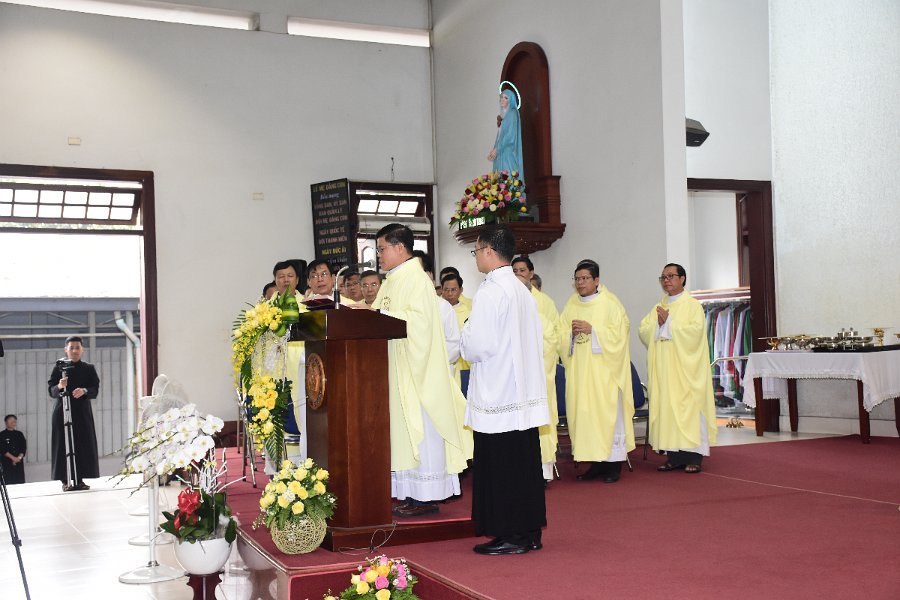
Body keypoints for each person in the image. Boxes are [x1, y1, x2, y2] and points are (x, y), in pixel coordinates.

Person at [361, 224, 470, 517]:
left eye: (381, 248)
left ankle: (426, 496)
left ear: (400, 248)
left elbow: (420, 323)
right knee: (403, 433)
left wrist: (379, 314)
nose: (378, 255)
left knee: (422, 430)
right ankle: (410, 493)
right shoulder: (393, 280)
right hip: (398, 368)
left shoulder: (417, 279)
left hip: (416, 371)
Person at [461, 225, 548, 555]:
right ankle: (529, 531)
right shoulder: (521, 289)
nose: (475, 258)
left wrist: (465, 334)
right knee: (523, 463)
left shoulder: (490, 291)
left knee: (501, 466)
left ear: (487, 251)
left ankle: (510, 534)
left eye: (476, 251)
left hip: (498, 392)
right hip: (520, 392)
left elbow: (479, 346)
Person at [558, 259, 634, 483]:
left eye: (585, 278)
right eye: (577, 279)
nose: (580, 283)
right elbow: (559, 335)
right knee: (587, 418)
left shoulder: (610, 303)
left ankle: (613, 466)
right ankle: (595, 464)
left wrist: (594, 331)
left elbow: (621, 334)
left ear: (596, 280)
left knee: (607, 418)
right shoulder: (571, 305)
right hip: (580, 374)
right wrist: (570, 336)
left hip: (605, 374)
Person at [638, 263, 717, 474]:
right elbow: (643, 330)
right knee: (668, 412)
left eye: (671, 276)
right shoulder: (659, 306)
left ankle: (694, 457)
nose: (666, 280)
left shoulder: (692, 305)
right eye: (663, 277)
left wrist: (669, 323)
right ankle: (673, 457)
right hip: (665, 371)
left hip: (686, 371)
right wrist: (658, 325)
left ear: (682, 278)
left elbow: (695, 333)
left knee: (689, 411)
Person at [512, 255, 561, 483]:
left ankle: (542, 471)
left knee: (540, 423)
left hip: (538, 379)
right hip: (515, 382)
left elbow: (553, 342)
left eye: (522, 270)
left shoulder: (543, 311)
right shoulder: (509, 313)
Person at [47, 336, 100, 490]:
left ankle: (79, 480)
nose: (75, 351)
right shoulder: (59, 368)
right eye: (72, 348)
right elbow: (51, 390)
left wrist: (84, 390)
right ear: (66, 350)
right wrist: (59, 386)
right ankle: (65, 480)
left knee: (82, 444)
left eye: (78, 347)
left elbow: (94, 389)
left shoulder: (89, 368)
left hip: (82, 412)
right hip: (62, 411)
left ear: (82, 350)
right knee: (63, 445)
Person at [440, 273, 472, 395]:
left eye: (453, 290)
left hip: (464, 366)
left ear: (461, 290)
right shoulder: (436, 309)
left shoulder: (469, 311)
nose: (449, 293)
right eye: (446, 290)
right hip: (443, 364)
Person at [487, 87, 524, 179]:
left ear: (511, 100)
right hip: (501, 152)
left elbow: (510, 136)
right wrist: (494, 150)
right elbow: (500, 137)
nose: (502, 100)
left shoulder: (512, 113)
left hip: (507, 152)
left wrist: (497, 149)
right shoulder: (504, 116)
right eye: (502, 97)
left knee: (508, 177)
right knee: (500, 180)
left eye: (506, 98)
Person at [1, 414, 27, 484]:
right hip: (6, 463)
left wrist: (18, 458)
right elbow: (2, 449)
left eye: (14, 421)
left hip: (18, 462)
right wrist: (13, 458)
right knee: (8, 482)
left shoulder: (19, 434)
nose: (13, 422)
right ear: (6, 422)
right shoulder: (2, 435)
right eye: (11, 421)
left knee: (19, 482)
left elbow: (23, 447)